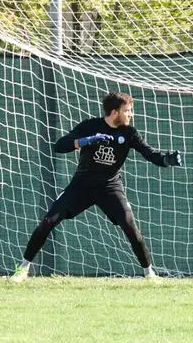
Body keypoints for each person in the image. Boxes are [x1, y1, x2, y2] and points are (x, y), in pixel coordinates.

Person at [12, 92, 182, 282]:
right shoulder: (89, 126)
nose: (130, 115)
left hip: (110, 187)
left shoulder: (129, 133)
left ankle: (149, 273)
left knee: (130, 226)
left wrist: (167, 160)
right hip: (81, 186)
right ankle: (23, 269)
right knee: (49, 221)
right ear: (114, 112)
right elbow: (59, 145)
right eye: (127, 111)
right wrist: (86, 141)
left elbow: (150, 154)